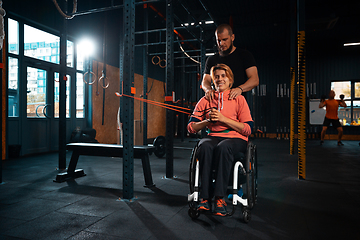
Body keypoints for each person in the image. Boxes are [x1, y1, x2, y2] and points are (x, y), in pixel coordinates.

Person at [187, 64, 253, 216]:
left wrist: (224, 119)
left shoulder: (239, 99)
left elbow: (248, 129)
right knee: (204, 146)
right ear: (213, 81)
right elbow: (191, 127)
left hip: (235, 138)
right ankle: (204, 198)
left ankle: (219, 198)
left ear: (230, 80)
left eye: (224, 76)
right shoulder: (205, 100)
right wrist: (207, 122)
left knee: (224, 147)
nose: (220, 79)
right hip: (213, 136)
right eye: (216, 77)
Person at [201, 24, 259, 101]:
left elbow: (254, 79)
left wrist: (239, 89)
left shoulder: (244, 55)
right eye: (219, 40)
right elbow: (205, 81)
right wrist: (208, 90)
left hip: (237, 103)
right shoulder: (211, 59)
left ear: (232, 37)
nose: (221, 44)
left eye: (225, 40)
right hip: (217, 103)